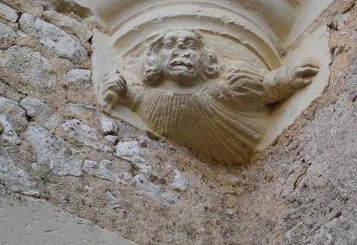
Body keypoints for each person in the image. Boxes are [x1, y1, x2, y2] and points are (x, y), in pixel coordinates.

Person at [102, 29, 319, 164]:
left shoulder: (226, 83)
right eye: (170, 46)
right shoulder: (145, 95)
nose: (180, 51)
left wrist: (286, 77)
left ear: (206, 58)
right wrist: (119, 88)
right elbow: (132, 96)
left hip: (240, 145)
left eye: (190, 46)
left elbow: (264, 87)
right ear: (154, 59)